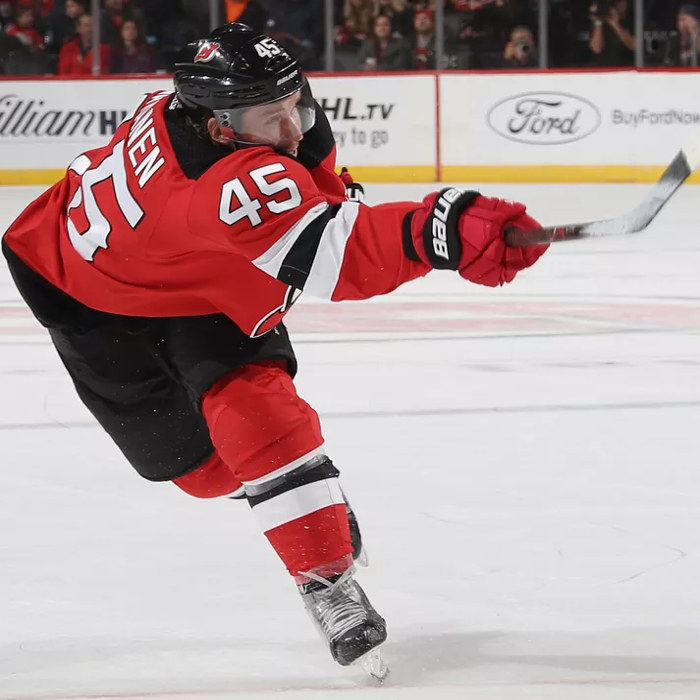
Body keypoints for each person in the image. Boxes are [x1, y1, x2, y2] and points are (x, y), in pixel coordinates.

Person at [2, 22, 547, 676]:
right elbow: (342, 258)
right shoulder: (225, 185)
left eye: (296, 105)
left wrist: (333, 193)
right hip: (88, 299)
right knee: (206, 475)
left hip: (197, 276)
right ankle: (295, 496)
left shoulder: (222, 115)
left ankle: (325, 578)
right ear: (220, 128)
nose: (293, 128)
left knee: (257, 414)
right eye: (272, 117)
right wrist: (440, 230)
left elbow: (312, 186)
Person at [589, 0, 635, 66]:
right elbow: (596, 48)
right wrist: (598, 21)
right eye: (615, 2)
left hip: (626, 67)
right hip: (604, 67)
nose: (619, 5)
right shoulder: (601, 22)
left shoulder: (632, 20)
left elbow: (634, 46)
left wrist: (616, 25)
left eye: (621, 1)